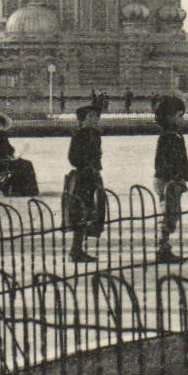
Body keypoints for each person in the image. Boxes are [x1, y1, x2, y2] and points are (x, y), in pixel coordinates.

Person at [64, 103, 105, 262]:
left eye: (96, 116)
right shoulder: (79, 135)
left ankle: (78, 249)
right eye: (90, 116)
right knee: (81, 212)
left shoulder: (95, 135)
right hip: (82, 178)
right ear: (82, 119)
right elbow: (72, 157)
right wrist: (86, 166)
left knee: (91, 212)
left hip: (93, 177)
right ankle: (76, 250)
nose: (95, 119)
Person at [153, 96, 188, 262]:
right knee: (168, 213)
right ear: (169, 117)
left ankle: (165, 246)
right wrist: (175, 177)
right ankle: (163, 248)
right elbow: (163, 162)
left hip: (173, 180)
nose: (182, 119)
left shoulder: (175, 135)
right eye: (179, 116)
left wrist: (184, 175)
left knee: (172, 213)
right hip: (168, 181)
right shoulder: (167, 137)